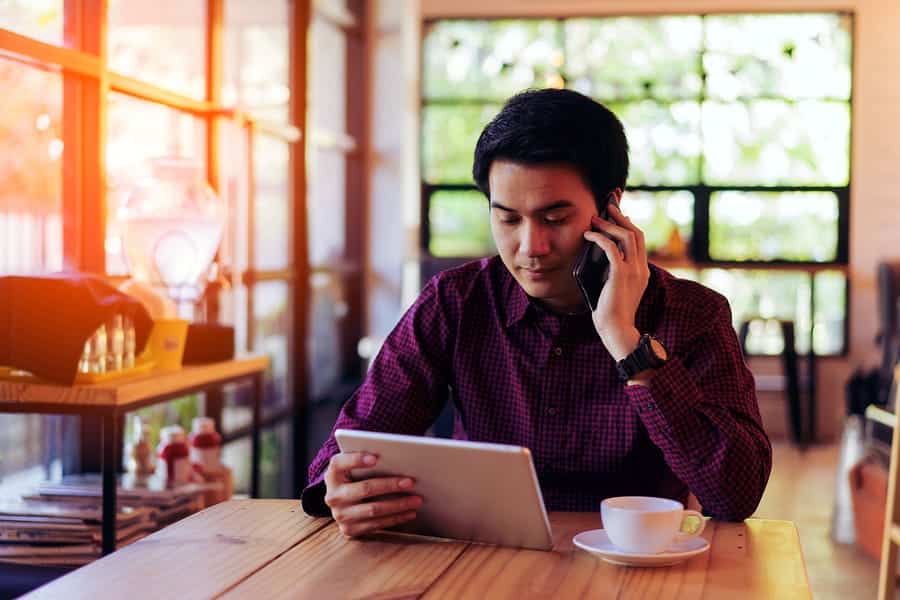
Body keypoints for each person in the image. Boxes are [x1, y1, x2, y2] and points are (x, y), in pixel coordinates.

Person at [300, 88, 772, 538]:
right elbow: (352, 443)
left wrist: (625, 339)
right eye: (507, 219)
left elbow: (736, 495)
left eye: (555, 218)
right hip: (481, 558)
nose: (530, 248)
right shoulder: (456, 301)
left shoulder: (692, 313)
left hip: (633, 567)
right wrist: (341, 485)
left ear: (612, 207)